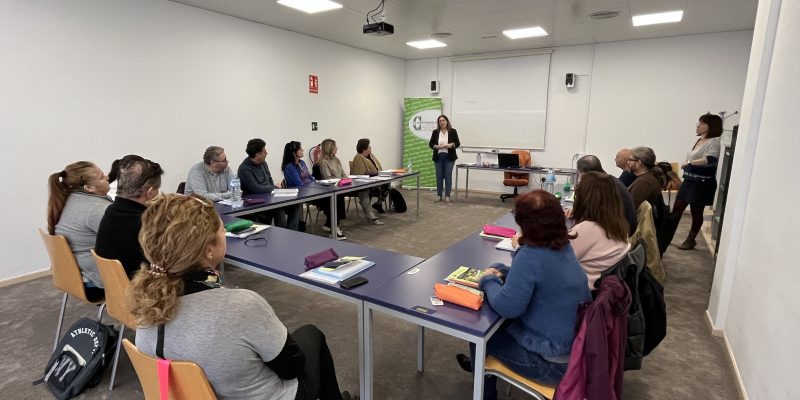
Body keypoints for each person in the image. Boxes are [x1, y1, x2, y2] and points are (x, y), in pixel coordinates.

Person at [128, 194, 355, 400]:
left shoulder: (145, 307)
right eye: (221, 228)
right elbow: (292, 368)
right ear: (209, 249)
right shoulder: (241, 306)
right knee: (312, 334)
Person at [456, 191, 592, 399]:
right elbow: (542, 281)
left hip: (549, 364)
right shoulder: (562, 245)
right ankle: (480, 372)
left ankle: (485, 390)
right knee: (499, 328)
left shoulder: (530, 255)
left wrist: (488, 280)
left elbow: (507, 307)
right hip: (575, 353)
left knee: (479, 336)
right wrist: (505, 272)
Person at [47, 161, 112, 296]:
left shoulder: (69, 200)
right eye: (101, 177)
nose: (107, 177)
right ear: (89, 188)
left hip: (75, 277)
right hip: (96, 282)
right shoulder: (96, 209)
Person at [95, 157, 163, 278]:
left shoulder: (111, 210)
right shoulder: (144, 222)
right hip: (139, 288)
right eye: (157, 190)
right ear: (150, 192)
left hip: (114, 286)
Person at [569, 172, 630, 289]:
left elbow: (557, 260)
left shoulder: (588, 229)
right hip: (605, 288)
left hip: (583, 291)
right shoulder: (616, 222)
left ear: (585, 196)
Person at [671, 113, 723, 250]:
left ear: (711, 127)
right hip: (689, 181)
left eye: (702, 123)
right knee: (677, 209)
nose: (698, 126)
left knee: (696, 212)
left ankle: (690, 240)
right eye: (699, 123)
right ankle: (666, 235)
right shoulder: (699, 140)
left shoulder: (714, 141)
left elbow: (710, 160)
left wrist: (689, 162)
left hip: (702, 184)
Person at [282, 141, 345, 240]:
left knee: (335, 196)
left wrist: (315, 183)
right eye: (300, 149)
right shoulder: (289, 167)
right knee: (330, 199)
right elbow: (299, 184)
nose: (303, 150)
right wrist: (313, 185)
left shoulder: (302, 163)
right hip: (302, 194)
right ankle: (332, 226)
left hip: (312, 190)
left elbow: (310, 177)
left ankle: (332, 224)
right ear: (294, 152)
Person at [238, 138, 302, 231]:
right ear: (257, 155)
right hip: (257, 202)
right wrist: (275, 187)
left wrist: (275, 190)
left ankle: (292, 233)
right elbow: (257, 188)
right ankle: (284, 235)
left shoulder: (263, 163)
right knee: (278, 210)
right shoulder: (244, 169)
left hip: (270, 197)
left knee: (295, 205)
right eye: (264, 151)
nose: (267, 153)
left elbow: (269, 179)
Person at [319, 138, 382, 225]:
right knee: (364, 192)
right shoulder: (324, 162)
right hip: (335, 187)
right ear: (330, 148)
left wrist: (346, 180)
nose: (337, 148)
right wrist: (342, 181)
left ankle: (372, 217)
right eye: (335, 147)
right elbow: (328, 178)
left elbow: (343, 174)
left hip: (344, 185)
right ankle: (333, 224)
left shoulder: (336, 159)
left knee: (364, 191)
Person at [573, 154, 637, 235]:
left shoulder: (602, 186)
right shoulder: (609, 180)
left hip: (621, 231)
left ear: (584, 173)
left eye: (579, 173)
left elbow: (593, 212)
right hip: (624, 225)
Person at [351, 138, 388, 214]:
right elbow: (359, 173)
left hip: (375, 179)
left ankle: (378, 203)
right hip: (365, 183)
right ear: (364, 148)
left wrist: (378, 174)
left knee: (387, 183)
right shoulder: (358, 157)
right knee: (384, 185)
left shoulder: (371, 156)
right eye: (369, 147)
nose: (370, 148)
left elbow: (378, 168)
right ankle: (377, 205)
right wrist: (375, 174)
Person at [428, 114, 460, 202]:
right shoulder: (435, 132)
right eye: (440, 121)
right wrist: (436, 146)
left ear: (447, 121)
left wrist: (451, 145)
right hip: (438, 157)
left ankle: (447, 195)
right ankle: (439, 195)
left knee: (447, 176)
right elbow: (430, 144)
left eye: (443, 120)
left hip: (449, 157)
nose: (441, 122)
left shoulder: (453, 131)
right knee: (439, 177)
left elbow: (457, 143)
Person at [626, 146, 667, 211]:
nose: (627, 162)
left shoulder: (643, 182)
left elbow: (630, 209)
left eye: (630, 160)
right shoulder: (649, 177)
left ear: (638, 163)